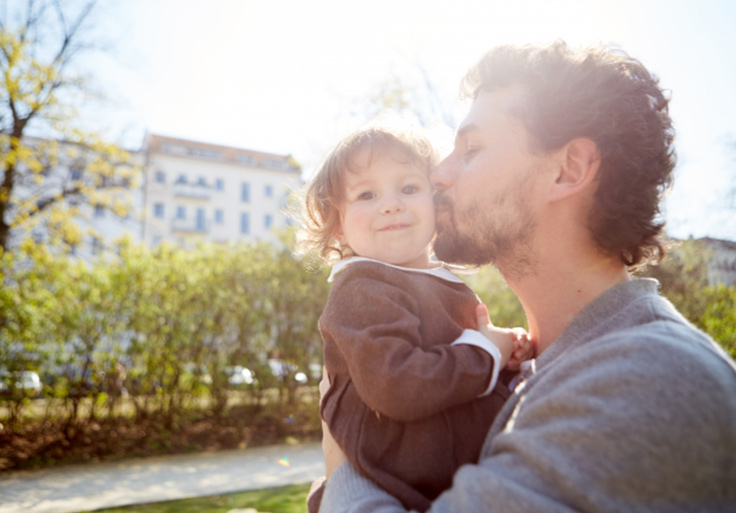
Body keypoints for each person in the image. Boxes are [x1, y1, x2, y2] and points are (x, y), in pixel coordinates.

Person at [318, 42, 736, 512]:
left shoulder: (653, 378)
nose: (438, 175)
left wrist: (342, 473)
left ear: (568, 169)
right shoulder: (537, 367)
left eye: (471, 149)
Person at [298, 123, 532, 512]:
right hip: (402, 475)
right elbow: (398, 385)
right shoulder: (362, 288)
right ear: (338, 224)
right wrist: (484, 351)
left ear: (436, 204)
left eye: (409, 188)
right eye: (367, 194)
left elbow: (458, 369)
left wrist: (503, 360)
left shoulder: (436, 281)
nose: (391, 204)